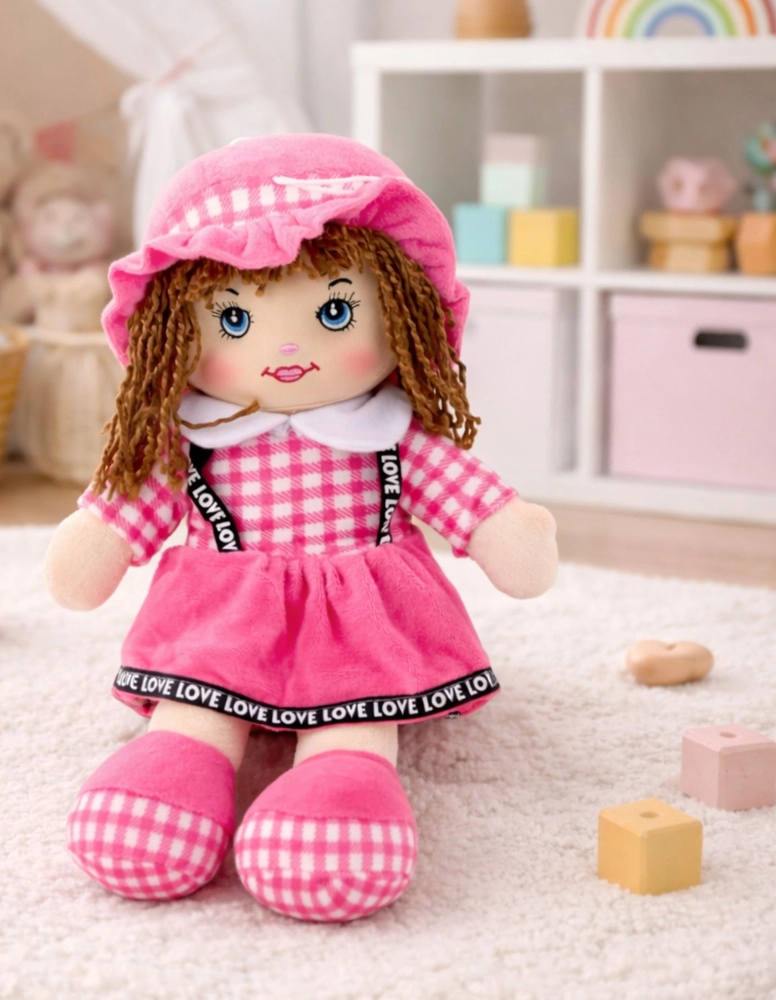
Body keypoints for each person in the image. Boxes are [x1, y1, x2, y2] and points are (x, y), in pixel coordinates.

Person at [45, 133, 558, 922]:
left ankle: (342, 787)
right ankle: (176, 766)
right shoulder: (195, 438)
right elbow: (124, 516)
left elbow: (469, 498)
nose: (286, 348)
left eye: (335, 311)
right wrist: (96, 538)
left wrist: (507, 530)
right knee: (195, 710)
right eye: (233, 319)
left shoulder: (391, 432)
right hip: (222, 624)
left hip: (360, 628)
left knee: (353, 722)